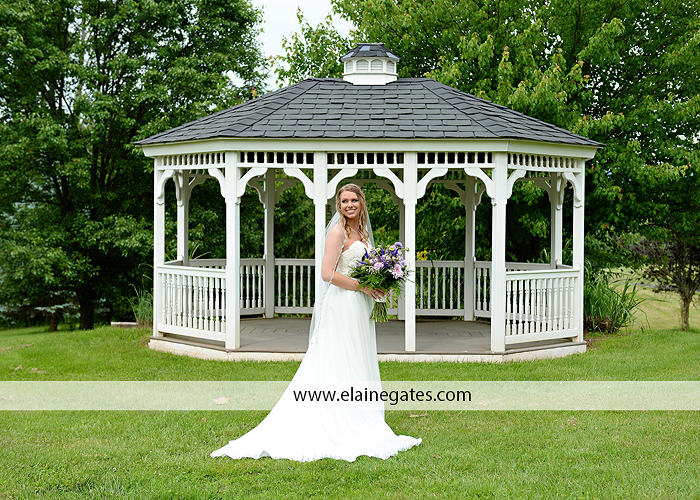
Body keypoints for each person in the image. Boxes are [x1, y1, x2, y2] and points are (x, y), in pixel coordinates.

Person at [211, 184, 421, 462]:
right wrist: (363, 286)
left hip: (359, 305)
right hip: (342, 304)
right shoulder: (338, 232)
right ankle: (336, 418)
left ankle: (358, 414)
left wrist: (378, 282)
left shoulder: (362, 233)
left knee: (357, 357)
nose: (349, 205)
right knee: (339, 358)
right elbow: (326, 274)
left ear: (361, 202)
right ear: (338, 205)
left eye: (354, 200)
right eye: (344, 201)